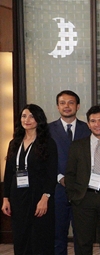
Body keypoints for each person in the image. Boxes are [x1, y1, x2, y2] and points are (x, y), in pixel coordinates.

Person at [65, 105, 100, 255]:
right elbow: (70, 174)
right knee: (83, 242)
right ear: (88, 124)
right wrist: (73, 197)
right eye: (93, 121)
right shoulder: (77, 146)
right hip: (84, 198)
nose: (97, 124)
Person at [2, 104, 58, 255]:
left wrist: (45, 197)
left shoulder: (47, 143)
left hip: (39, 196)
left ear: (39, 120)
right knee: (21, 237)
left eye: (32, 116)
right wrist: (6, 198)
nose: (27, 120)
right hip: (18, 197)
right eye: (24, 116)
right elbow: (8, 173)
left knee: (40, 238)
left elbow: (51, 174)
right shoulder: (14, 143)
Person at [50, 90, 89, 255]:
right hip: (57, 189)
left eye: (71, 102)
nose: (67, 106)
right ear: (57, 106)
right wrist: (59, 178)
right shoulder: (47, 130)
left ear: (78, 106)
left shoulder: (87, 129)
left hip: (82, 190)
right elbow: (44, 160)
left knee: (83, 236)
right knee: (58, 235)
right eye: (62, 103)